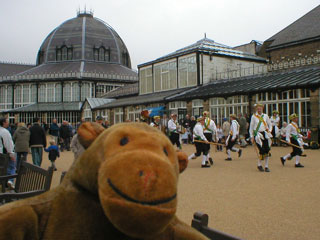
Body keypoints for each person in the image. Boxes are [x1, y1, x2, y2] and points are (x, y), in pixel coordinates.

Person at [249, 104, 272, 172]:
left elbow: (270, 124)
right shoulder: (253, 117)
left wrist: (269, 131)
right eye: (258, 108)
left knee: (267, 150)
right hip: (258, 135)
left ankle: (266, 166)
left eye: (260, 108)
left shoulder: (265, 116)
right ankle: (259, 165)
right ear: (256, 109)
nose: (259, 109)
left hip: (265, 134)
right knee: (261, 150)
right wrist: (251, 136)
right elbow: (251, 127)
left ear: (262, 108)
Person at [0, 117, 16, 189]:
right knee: (11, 167)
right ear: (3, 123)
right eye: (7, 121)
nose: (8, 123)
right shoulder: (4, 132)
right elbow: (8, 144)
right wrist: (11, 154)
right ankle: (9, 181)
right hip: (4, 154)